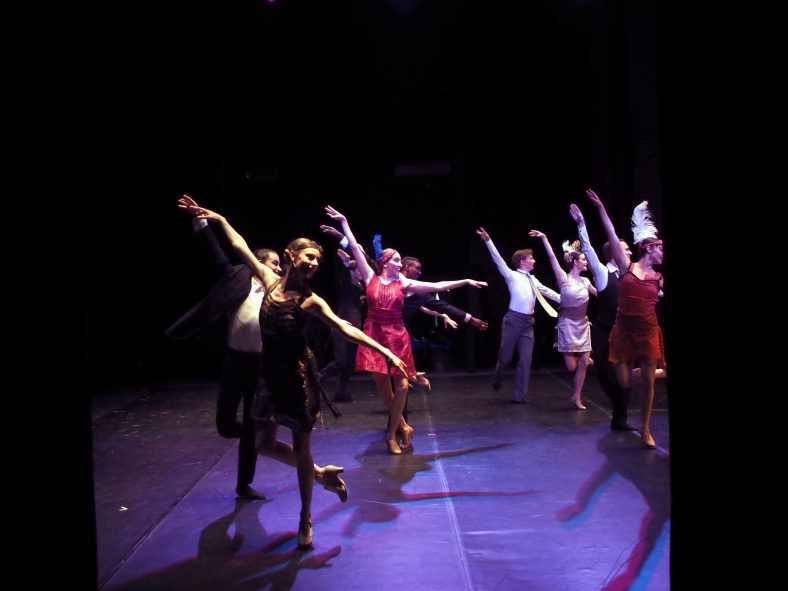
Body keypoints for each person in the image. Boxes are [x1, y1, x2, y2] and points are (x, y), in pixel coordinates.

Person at [186, 201, 407, 548]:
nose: (314, 264)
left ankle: (305, 521)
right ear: (291, 255)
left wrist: (386, 351)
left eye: (318, 260)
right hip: (267, 377)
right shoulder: (268, 280)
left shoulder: (311, 301)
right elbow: (240, 246)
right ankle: (320, 474)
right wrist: (219, 218)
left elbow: (345, 328)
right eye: (309, 257)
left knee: (302, 450)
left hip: (298, 379)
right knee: (261, 444)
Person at [326, 205, 488, 455]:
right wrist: (344, 222)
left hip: (397, 336)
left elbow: (438, 285)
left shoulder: (406, 283)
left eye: (401, 260)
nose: (401, 264)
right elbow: (357, 247)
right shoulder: (370, 277)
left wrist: (465, 280)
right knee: (385, 390)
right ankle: (403, 428)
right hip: (373, 336)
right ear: (385, 263)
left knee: (401, 387)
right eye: (397, 260)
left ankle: (392, 435)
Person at [166, 194, 283, 500]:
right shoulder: (237, 276)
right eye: (275, 263)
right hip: (235, 362)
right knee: (226, 424)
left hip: (259, 366)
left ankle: (244, 483)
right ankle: (248, 433)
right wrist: (201, 222)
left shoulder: (279, 291)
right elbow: (216, 252)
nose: (279, 268)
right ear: (260, 260)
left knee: (252, 424)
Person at [585, 189, 665, 449]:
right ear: (649, 249)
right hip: (624, 333)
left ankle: (645, 428)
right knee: (625, 381)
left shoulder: (659, 278)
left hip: (649, 332)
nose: (663, 253)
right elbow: (610, 234)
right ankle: (658, 371)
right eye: (660, 249)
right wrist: (600, 209)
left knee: (648, 387)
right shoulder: (626, 268)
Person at [476, 227, 560, 403]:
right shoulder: (512, 276)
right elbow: (498, 260)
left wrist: (567, 299)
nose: (534, 261)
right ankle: (498, 377)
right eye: (531, 258)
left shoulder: (533, 279)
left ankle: (519, 396)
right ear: (522, 261)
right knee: (505, 356)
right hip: (513, 320)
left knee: (526, 359)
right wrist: (488, 241)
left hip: (528, 324)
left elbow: (548, 292)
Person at [529, 229, 597, 410]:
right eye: (583, 259)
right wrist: (544, 238)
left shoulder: (586, 282)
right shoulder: (563, 278)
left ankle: (577, 396)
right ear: (575, 262)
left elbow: (602, 295)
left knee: (581, 364)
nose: (586, 262)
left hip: (583, 324)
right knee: (571, 366)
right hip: (567, 324)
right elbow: (552, 257)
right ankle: (587, 361)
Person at [317, 247, 367, 402]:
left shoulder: (359, 285)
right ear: (354, 270)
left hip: (354, 326)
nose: (362, 272)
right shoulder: (347, 282)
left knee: (349, 363)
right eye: (359, 269)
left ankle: (341, 392)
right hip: (342, 325)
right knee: (342, 361)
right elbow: (345, 275)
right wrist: (346, 263)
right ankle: (316, 380)